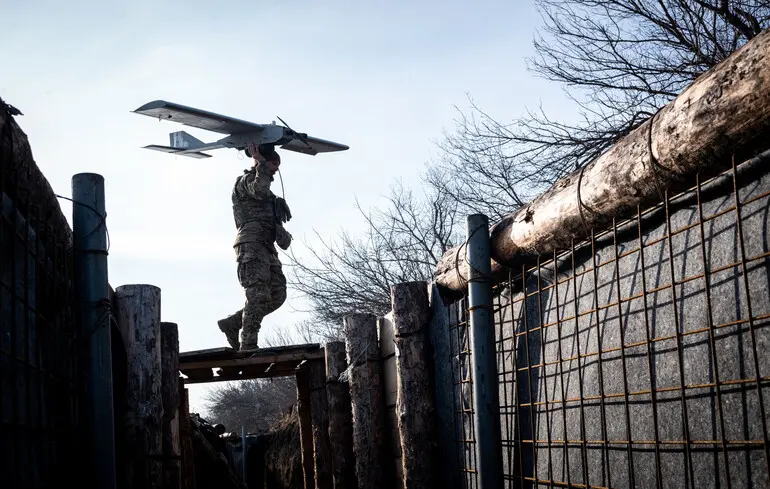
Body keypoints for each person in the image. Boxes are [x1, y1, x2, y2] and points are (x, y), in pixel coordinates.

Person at [217, 141, 292, 351]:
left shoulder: (270, 196)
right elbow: (258, 190)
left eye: (276, 167)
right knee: (258, 295)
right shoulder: (246, 181)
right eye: (272, 166)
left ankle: (233, 323)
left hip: (266, 248)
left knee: (277, 295)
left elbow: (270, 215)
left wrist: (282, 234)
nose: (274, 172)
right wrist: (259, 163)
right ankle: (248, 344)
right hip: (250, 246)